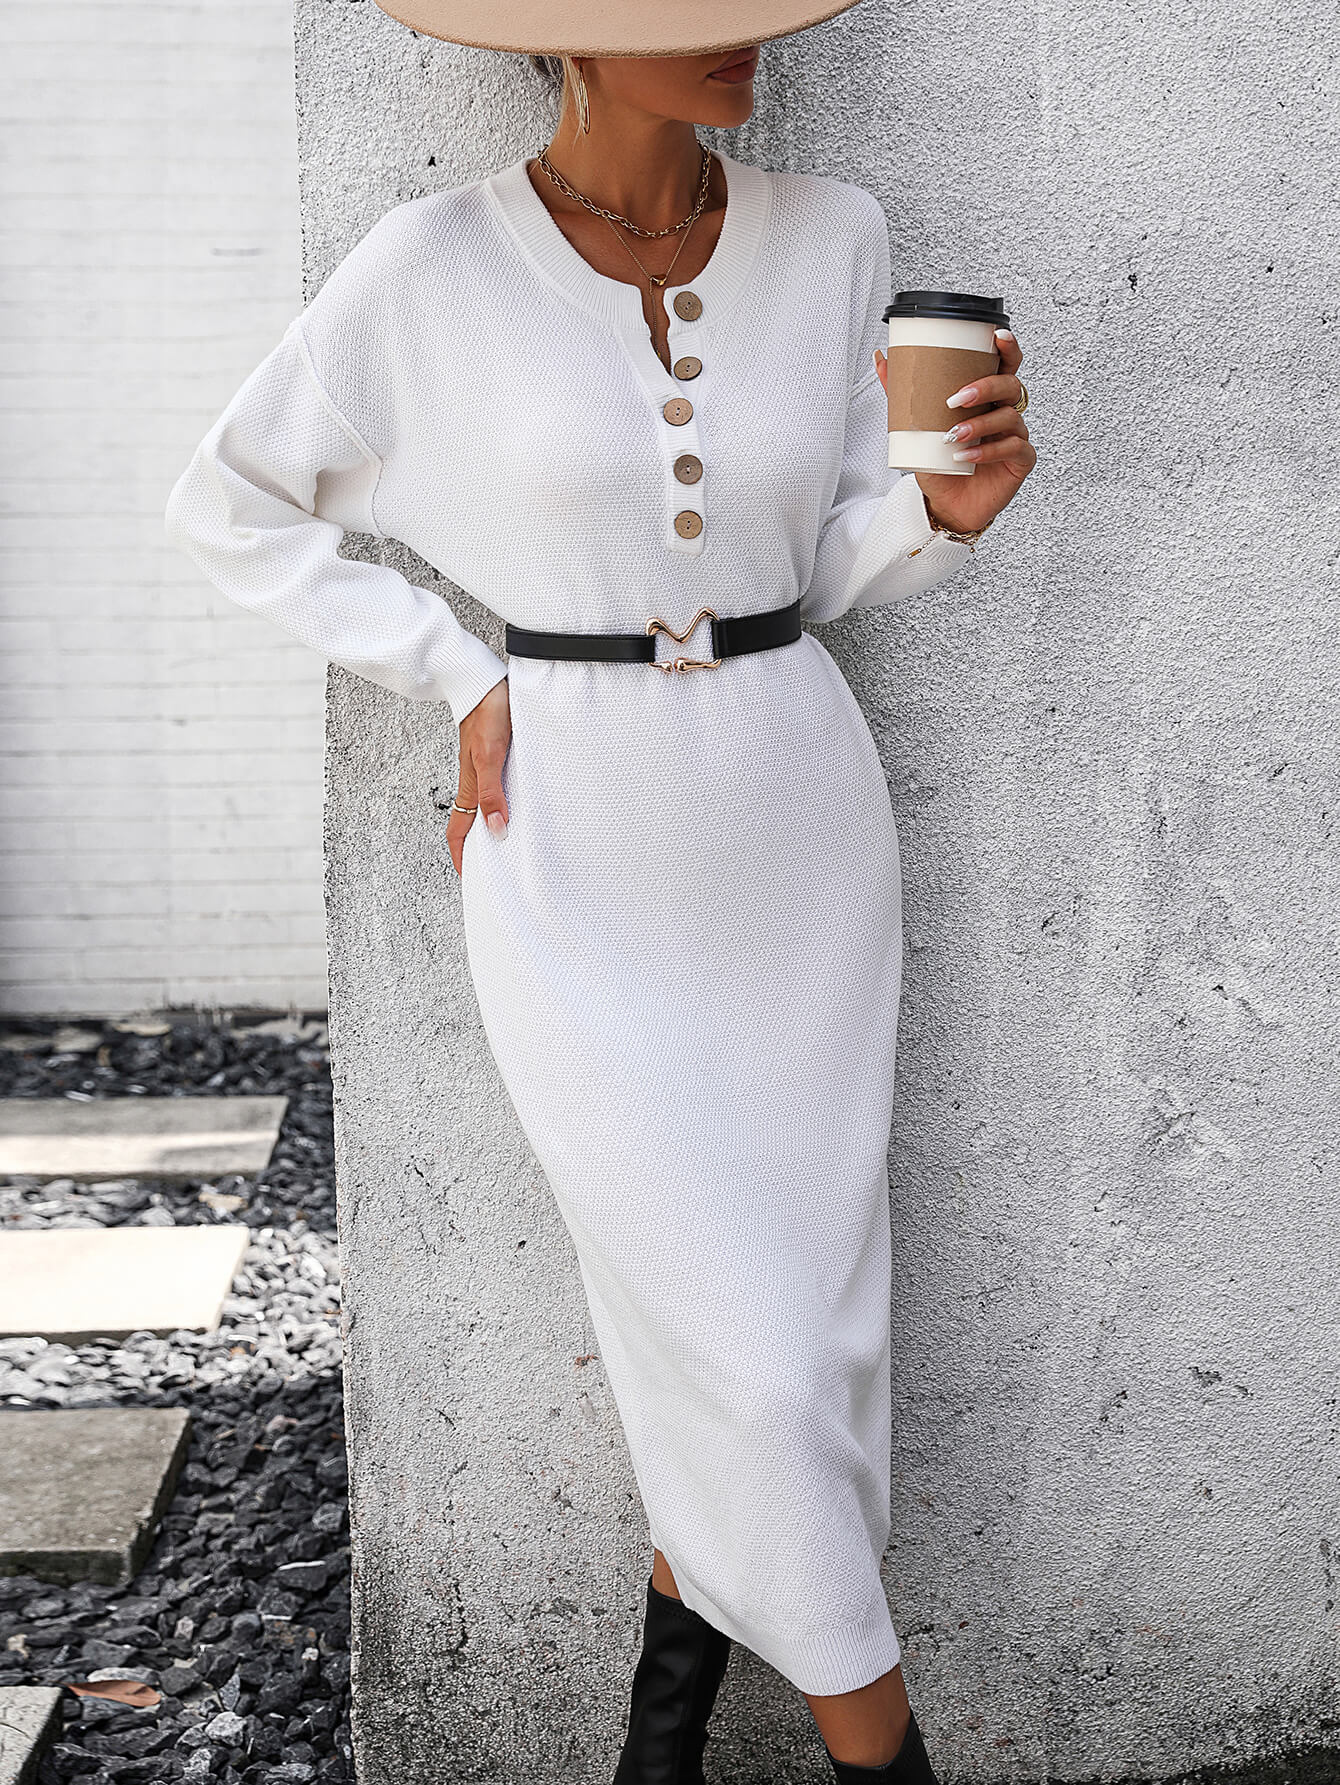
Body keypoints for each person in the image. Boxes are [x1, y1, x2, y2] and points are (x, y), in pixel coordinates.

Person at [163, 1, 1036, 1778]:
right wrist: (453, 668)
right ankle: (886, 1752)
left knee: (804, 1343)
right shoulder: (429, 267)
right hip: (572, 846)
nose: (742, 35)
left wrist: (942, 515)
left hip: (800, 836)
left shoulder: (835, 236)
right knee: (757, 1363)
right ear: (562, 33)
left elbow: (826, 556)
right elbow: (229, 502)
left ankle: (660, 1746)